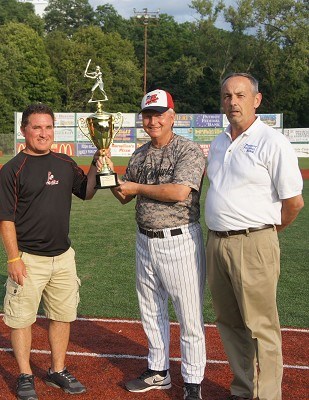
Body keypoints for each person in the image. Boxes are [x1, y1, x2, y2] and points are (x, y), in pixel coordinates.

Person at [205, 73, 304, 400]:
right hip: (217, 243)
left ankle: (268, 395)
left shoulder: (273, 142)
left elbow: (293, 202)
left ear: (256, 100)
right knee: (229, 323)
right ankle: (244, 390)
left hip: (254, 242)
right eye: (227, 96)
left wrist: (266, 234)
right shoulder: (219, 142)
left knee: (261, 328)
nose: (233, 102)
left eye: (240, 95)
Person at [107, 89, 207, 399]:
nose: (153, 120)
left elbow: (179, 192)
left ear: (172, 117)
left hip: (179, 240)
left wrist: (136, 185)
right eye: (148, 115)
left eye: (159, 114)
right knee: (150, 311)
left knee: (188, 316)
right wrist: (106, 172)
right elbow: (124, 197)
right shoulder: (139, 153)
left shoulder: (187, 150)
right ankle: (158, 371)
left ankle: (192, 383)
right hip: (144, 240)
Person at [0, 103, 100, 400]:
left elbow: (87, 192)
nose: (43, 133)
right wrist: (14, 258)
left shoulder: (65, 163)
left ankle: (57, 370)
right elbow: (5, 219)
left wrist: (98, 163)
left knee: (62, 316)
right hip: (28, 258)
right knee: (21, 319)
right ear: (24, 131)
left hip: (63, 257)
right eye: (36, 127)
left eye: (48, 127)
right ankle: (25, 374)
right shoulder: (11, 170)